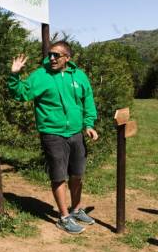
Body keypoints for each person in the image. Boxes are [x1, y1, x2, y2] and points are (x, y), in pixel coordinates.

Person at [8, 41, 99, 234]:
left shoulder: (79, 76)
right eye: (50, 54)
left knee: (77, 174)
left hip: (75, 133)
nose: (51, 58)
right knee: (59, 176)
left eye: (56, 55)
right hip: (52, 133)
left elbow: (88, 100)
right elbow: (21, 93)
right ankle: (64, 217)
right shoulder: (41, 75)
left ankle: (76, 209)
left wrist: (89, 124)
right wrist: (15, 75)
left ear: (67, 57)